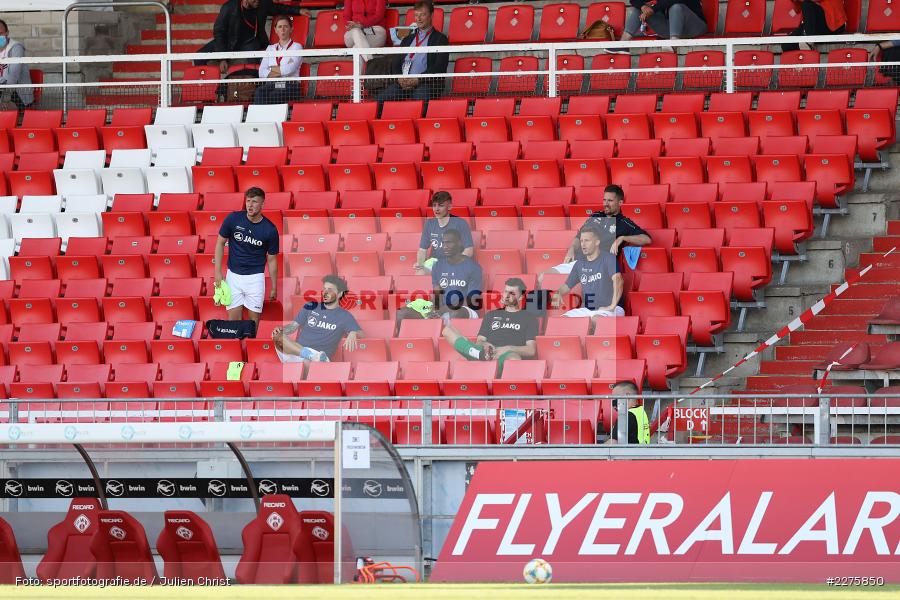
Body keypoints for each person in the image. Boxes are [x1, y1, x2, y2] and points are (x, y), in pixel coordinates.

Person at [539, 185, 650, 284]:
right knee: (542, 277)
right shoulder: (595, 216)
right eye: (604, 200)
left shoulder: (624, 223)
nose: (606, 204)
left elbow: (646, 239)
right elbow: (579, 236)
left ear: (620, 203)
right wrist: (572, 248)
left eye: (610, 201)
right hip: (579, 262)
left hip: (598, 268)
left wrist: (622, 238)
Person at [441, 278, 538, 374]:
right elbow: (480, 341)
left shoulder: (529, 318)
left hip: (505, 356)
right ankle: (480, 355)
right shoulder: (491, 315)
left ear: (521, 297)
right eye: (505, 291)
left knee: (514, 358)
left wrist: (508, 348)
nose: (506, 296)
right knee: (447, 331)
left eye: (512, 293)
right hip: (484, 352)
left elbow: (531, 350)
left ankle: (479, 357)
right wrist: (486, 346)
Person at [214, 187, 279, 325]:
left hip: (255, 278)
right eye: (248, 201)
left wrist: (274, 286)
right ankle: (235, 345)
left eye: (254, 201)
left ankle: (250, 345)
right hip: (233, 276)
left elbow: (272, 259)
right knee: (233, 321)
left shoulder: (270, 230)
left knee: (253, 322)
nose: (250, 204)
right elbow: (220, 243)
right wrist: (217, 272)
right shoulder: (233, 218)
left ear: (262, 204)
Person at [272, 275, 362, 362]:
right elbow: (293, 327)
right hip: (297, 353)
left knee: (307, 362)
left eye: (330, 290)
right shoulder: (311, 306)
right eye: (324, 289)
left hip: (320, 357)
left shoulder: (344, 316)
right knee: (277, 336)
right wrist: (281, 330)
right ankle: (308, 354)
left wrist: (353, 332)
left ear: (340, 294)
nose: (325, 292)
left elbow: (362, 334)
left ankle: (311, 356)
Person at [196, 0, 309, 69]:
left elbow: (278, 8)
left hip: (250, 41)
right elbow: (219, 32)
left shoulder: (262, 3)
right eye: (254, 0)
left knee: (254, 57)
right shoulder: (229, 7)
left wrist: (298, 10)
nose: (258, 2)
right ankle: (203, 89)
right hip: (228, 41)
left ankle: (254, 86)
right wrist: (222, 58)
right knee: (198, 56)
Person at [376, 0, 449, 102]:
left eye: (422, 15)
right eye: (416, 15)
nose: (418, 19)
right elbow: (396, 64)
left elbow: (439, 67)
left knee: (419, 98)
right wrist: (400, 79)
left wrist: (418, 80)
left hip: (426, 84)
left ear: (432, 15)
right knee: (381, 99)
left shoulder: (440, 39)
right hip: (403, 84)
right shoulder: (407, 39)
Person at [553, 226, 624, 323]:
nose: (583, 244)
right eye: (581, 241)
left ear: (597, 242)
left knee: (596, 320)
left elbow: (618, 280)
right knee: (561, 321)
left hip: (612, 309)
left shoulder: (608, 258)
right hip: (588, 310)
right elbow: (567, 286)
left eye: (587, 240)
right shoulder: (579, 264)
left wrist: (612, 306)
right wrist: (559, 293)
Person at [416, 191, 474, 274]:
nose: (436, 209)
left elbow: (469, 251)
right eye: (434, 205)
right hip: (436, 264)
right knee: (420, 272)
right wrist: (420, 264)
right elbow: (422, 250)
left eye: (441, 205)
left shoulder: (460, 223)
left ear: (449, 207)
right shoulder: (429, 223)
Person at [612, 0, 707, 51]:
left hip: (694, 27)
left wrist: (653, 9)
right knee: (641, 8)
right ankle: (623, 44)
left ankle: (673, 44)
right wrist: (643, 7)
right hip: (670, 29)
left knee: (676, 7)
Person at [254, 15, 303, 104]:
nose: (283, 29)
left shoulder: (297, 47)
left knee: (274, 95)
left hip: (290, 85)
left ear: (291, 29)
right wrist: (281, 70)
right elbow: (261, 72)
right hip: (273, 84)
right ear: (275, 30)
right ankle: (260, 117)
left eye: (286, 26)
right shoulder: (270, 48)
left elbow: (290, 69)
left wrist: (270, 68)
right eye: (280, 27)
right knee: (259, 92)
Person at [782, 0, 846, 51]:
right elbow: (797, 10)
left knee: (807, 4)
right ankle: (807, 44)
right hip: (813, 27)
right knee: (786, 44)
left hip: (834, 25)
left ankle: (808, 41)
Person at [0, 20, 33, 111]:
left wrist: (5, 99)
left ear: (7, 33)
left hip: (17, 95)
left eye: (1, 33)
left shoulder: (16, 48)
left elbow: (12, 77)